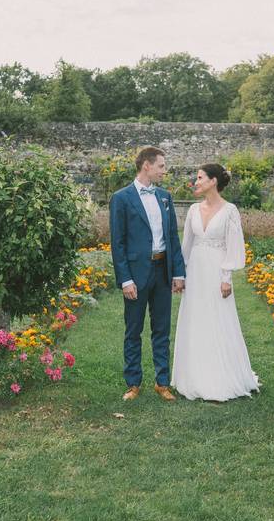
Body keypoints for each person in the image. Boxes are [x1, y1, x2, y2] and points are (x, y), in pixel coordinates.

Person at [172, 163, 260, 401]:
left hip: (216, 271)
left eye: (200, 178)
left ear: (213, 182)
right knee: (195, 319)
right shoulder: (192, 210)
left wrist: (226, 277)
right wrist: (179, 275)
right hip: (195, 272)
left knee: (217, 319)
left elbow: (233, 246)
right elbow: (186, 246)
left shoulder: (230, 210)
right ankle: (193, 376)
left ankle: (220, 376)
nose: (195, 182)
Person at [109, 146, 186, 401]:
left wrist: (178, 273)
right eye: (161, 166)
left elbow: (172, 237)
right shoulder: (121, 198)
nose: (165, 170)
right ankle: (133, 383)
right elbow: (117, 243)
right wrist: (125, 279)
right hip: (136, 275)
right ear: (146, 166)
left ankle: (162, 383)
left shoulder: (165, 196)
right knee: (133, 330)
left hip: (162, 271)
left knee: (162, 329)